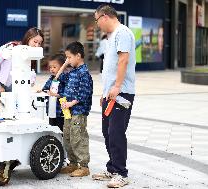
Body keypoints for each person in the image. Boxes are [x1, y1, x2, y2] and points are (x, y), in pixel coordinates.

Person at [92, 5, 136, 188]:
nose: (97, 25)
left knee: (116, 132)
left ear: (104, 17)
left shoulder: (122, 33)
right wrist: (105, 92)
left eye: (96, 20)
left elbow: (123, 60)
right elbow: (110, 65)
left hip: (122, 92)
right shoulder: (112, 36)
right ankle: (112, 168)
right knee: (106, 131)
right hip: (110, 93)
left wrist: (117, 86)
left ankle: (121, 173)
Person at [0, 27, 44, 117]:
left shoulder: (31, 53)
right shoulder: (10, 48)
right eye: (35, 41)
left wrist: (31, 82)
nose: (37, 45)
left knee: (7, 115)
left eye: (40, 43)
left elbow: (30, 70)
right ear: (28, 38)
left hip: (10, 86)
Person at [59, 41, 93, 177]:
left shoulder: (84, 73)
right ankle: (72, 163)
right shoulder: (72, 72)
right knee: (67, 137)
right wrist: (64, 64)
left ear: (78, 55)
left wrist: (71, 103)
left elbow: (84, 93)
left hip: (78, 112)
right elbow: (59, 77)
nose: (68, 60)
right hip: (69, 112)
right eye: (66, 57)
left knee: (78, 138)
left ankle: (84, 166)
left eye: (69, 57)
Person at [37, 53, 68, 132]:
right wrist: (41, 91)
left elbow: (68, 94)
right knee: (52, 129)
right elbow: (46, 88)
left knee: (61, 130)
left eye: (54, 67)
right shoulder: (51, 78)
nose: (51, 69)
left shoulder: (65, 78)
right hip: (52, 110)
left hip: (61, 111)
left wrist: (56, 95)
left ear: (62, 67)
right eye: (50, 67)